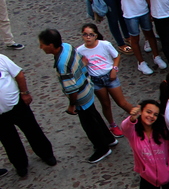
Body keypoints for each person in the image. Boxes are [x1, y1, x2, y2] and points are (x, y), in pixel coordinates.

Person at [38, 28, 116, 164]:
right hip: (87, 86)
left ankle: (102, 148)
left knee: (89, 124)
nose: (41, 47)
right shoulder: (67, 47)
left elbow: (71, 88)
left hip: (81, 96)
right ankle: (109, 138)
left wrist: (71, 105)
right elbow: (82, 60)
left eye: (42, 44)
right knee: (94, 116)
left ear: (50, 45)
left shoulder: (62, 64)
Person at [0, 53, 56, 178]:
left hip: (16, 105)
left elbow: (18, 74)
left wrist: (24, 93)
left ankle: (46, 154)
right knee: (9, 141)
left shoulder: (1, 59)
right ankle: (20, 165)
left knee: (32, 130)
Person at [77, 22, 132, 136]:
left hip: (109, 77)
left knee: (121, 102)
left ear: (96, 35)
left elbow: (116, 56)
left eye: (91, 34)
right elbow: (78, 68)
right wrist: (83, 64)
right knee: (105, 104)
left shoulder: (105, 45)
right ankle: (112, 125)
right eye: (85, 34)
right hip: (96, 80)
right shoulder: (80, 51)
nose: (88, 37)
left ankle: (139, 117)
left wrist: (114, 69)